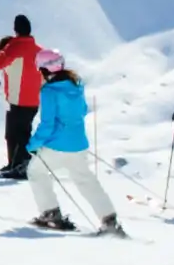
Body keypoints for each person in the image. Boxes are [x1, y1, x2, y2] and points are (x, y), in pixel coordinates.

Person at [27, 51, 121, 234]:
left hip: (56, 145)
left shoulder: (49, 91)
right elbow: (83, 110)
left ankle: (50, 214)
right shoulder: (76, 85)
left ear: (44, 69)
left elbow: (47, 123)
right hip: (79, 144)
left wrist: (33, 143)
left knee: (36, 171)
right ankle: (109, 220)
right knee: (85, 180)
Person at [0, 16, 44, 178]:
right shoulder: (32, 52)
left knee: (20, 133)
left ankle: (22, 165)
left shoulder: (16, 54)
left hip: (24, 100)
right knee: (14, 133)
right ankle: (15, 164)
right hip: (24, 100)